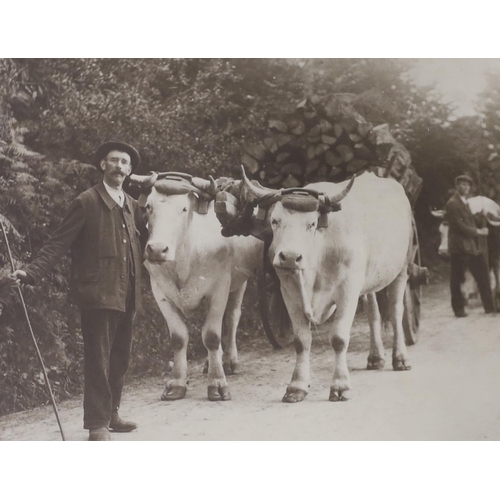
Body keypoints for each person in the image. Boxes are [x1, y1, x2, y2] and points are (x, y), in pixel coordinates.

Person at [11, 141, 145, 441]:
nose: (119, 167)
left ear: (130, 170)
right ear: (102, 165)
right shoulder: (86, 202)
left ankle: (112, 413)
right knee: (98, 358)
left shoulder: (132, 206)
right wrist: (31, 272)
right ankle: (96, 423)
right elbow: (58, 243)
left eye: (125, 163)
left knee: (120, 356)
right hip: (98, 292)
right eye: (113, 161)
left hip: (127, 293)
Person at [444, 174, 494, 317]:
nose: (465, 187)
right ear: (456, 186)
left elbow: (469, 222)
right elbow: (460, 226)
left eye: (467, 185)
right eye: (462, 184)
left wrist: (481, 217)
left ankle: (490, 307)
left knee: (483, 275)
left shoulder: (465, 203)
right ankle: (458, 309)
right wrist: (479, 231)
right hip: (459, 247)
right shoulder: (452, 204)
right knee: (457, 279)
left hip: (471, 246)